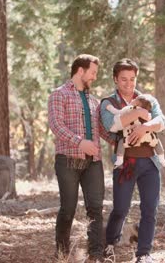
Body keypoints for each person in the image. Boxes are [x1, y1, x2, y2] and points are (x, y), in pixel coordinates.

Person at [100, 58, 165, 263]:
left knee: (150, 208)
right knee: (120, 208)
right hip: (125, 163)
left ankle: (144, 253)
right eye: (123, 80)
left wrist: (144, 127)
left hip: (150, 162)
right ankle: (109, 244)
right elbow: (112, 124)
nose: (129, 84)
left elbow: (161, 122)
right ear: (115, 80)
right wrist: (138, 112)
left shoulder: (148, 99)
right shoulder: (108, 103)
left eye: (132, 79)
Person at [48, 54, 114, 262]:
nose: (94, 77)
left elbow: (102, 130)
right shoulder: (59, 95)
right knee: (68, 208)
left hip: (93, 163)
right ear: (80, 71)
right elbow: (56, 126)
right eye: (92, 72)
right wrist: (80, 142)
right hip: (68, 160)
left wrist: (122, 141)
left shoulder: (94, 101)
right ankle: (62, 253)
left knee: (95, 207)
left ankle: (95, 254)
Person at [105, 94, 165, 169]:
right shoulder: (148, 113)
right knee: (156, 141)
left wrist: (110, 108)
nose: (132, 100)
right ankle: (162, 158)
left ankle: (119, 160)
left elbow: (118, 112)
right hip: (147, 136)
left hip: (131, 136)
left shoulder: (130, 108)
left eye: (134, 100)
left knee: (122, 142)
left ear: (137, 104)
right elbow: (155, 120)